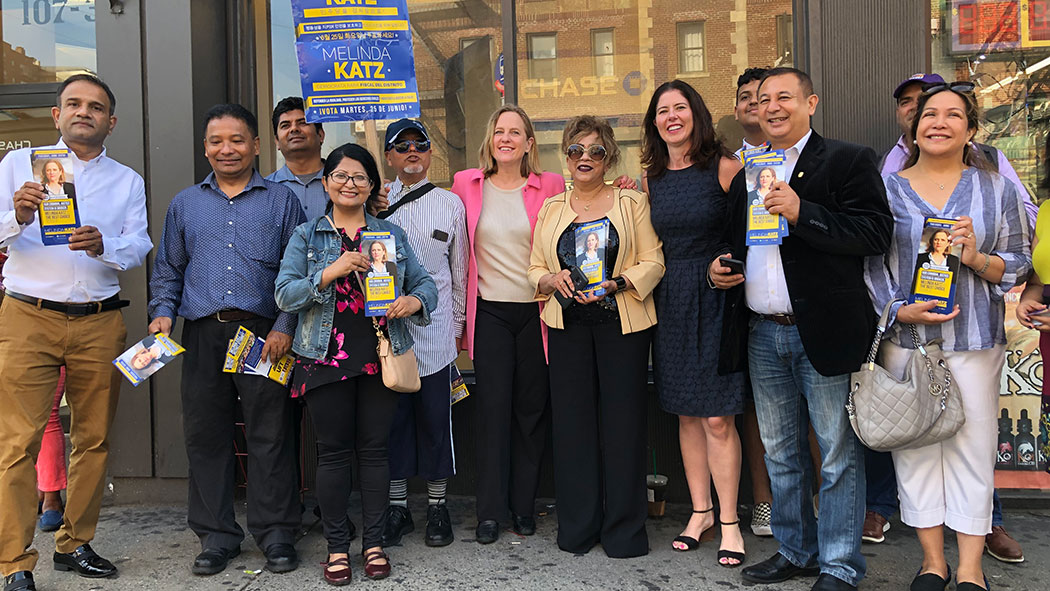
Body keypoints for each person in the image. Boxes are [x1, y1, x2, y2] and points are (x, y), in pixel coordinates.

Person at [710, 67, 894, 591]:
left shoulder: (847, 159)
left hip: (825, 330)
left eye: (784, 97)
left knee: (836, 453)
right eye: (763, 99)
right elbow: (735, 239)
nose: (772, 107)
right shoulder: (749, 169)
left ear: (811, 102)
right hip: (763, 331)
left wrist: (802, 210)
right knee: (780, 453)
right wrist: (721, 267)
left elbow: (875, 233)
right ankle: (796, 551)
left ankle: (839, 565)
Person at [864, 80, 1031, 591]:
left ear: (971, 129)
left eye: (953, 115)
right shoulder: (885, 189)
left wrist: (978, 257)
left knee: (973, 449)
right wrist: (898, 309)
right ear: (912, 129)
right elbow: (870, 266)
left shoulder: (995, 188)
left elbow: (1020, 260)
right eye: (928, 114)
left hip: (975, 340)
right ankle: (932, 563)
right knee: (914, 450)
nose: (938, 122)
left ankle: (969, 569)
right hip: (907, 340)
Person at [0, 73, 152, 591]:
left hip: (99, 318)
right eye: (73, 104)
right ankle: (15, 563)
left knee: (94, 439)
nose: (83, 112)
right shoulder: (18, 166)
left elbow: (138, 246)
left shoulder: (127, 180)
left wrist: (102, 244)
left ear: (111, 121)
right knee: (16, 443)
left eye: (95, 106)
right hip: (28, 316)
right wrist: (16, 216)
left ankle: (74, 542)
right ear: (57, 114)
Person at [147, 103, 305, 577]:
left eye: (237, 139)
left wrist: (284, 326)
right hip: (201, 334)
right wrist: (161, 315)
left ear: (256, 145)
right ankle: (217, 537)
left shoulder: (281, 201)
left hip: (263, 334)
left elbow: (299, 272)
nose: (227, 149)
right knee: (206, 436)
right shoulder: (185, 204)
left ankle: (277, 533)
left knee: (270, 434)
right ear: (205, 148)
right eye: (216, 141)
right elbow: (169, 270)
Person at [276, 142, 437, 585]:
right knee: (332, 455)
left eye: (360, 178)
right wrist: (330, 271)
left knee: (374, 452)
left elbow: (428, 287)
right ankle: (335, 547)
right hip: (324, 356)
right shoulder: (308, 236)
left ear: (372, 186)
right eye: (342, 176)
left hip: (378, 354)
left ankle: (374, 543)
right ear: (327, 182)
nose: (350, 184)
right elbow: (284, 293)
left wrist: (412, 300)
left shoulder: (390, 234)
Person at [528, 115, 664, 558]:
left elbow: (654, 261)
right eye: (575, 151)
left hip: (620, 328)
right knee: (573, 430)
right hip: (567, 329)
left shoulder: (632, 202)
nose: (584, 158)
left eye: (595, 151)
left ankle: (624, 531)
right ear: (564, 157)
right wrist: (549, 279)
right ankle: (579, 526)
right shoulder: (551, 208)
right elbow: (533, 268)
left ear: (609, 157)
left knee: (623, 428)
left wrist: (618, 283)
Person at [450, 104, 565, 544]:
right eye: (499, 131)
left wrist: (625, 185)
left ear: (529, 143)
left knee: (530, 413)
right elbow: (435, 210)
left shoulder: (551, 185)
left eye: (516, 132)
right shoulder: (466, 183)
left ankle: (523, 506)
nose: (506, 138)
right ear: (490, 139)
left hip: (537, 311)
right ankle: (490, 511)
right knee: (492, 412)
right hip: (491, 311)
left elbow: (590, 202)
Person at [644, 80, 747, 566]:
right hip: (671, 300)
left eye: (679, 108)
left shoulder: (727, 168)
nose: (671, 117)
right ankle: (700, 512)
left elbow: (749, 236)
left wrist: (724, 263)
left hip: (717, 297)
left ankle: (730, 521)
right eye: (662, 111)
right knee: (686, 413)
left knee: (717, 417)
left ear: (696, 114)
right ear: (654, 123)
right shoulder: (652, 178)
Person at [373, 119, 467, 550]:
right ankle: (397, 509)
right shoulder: (373, 204)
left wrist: (459, 328)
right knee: (391, 425)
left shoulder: (450, 204)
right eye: (401, 145)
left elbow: (459, 272)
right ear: (389, 156)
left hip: (435, 337)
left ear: (431, 153)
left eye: (420, 144)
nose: (412, 151)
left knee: (435, 424)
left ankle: (436, 507)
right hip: (387, 335)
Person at [732, 67, 776, 538]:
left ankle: (816, 501)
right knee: (753, 409)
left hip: (798, 300)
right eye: (746, 97)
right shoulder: (729, 164)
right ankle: (763, 503)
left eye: (762, 97)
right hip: (745, 303)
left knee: (813, 413)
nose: (755, 105)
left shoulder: (804, 159)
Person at [266, 96, 328, 220]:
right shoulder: (264, 190)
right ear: (277, 141)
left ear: (320, 135)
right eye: (285, 125)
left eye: (302, 123)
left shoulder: (344, 185)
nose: (294, 129)